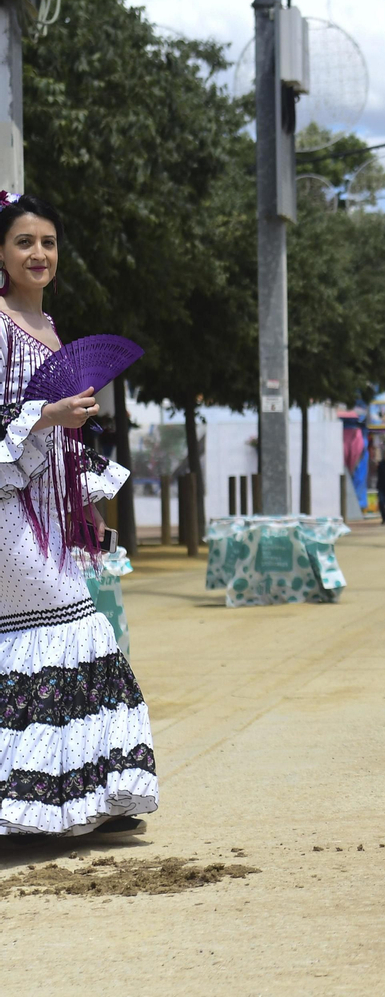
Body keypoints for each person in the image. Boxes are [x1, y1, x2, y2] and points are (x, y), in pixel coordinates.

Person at [0, 194, 156, 838]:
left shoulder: (50, 327)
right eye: (24, 242)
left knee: (67, 633)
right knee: (70, 625)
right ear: (0, 254)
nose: (40, 254)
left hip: (49, 508)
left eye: (49, 243)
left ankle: (91, 792)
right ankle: (33, 802)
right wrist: (45, 415)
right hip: (9, 511)